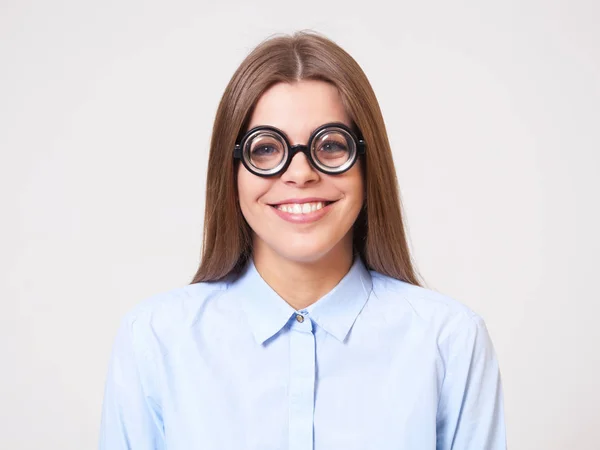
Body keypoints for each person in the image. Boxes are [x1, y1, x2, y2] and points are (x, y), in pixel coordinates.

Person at [98, 30, 506, 449]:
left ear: (368, 163)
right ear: (232, 168)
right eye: (266, 149)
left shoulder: (450, 341)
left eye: (330, 145)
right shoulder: (155, 339)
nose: (300, 173)